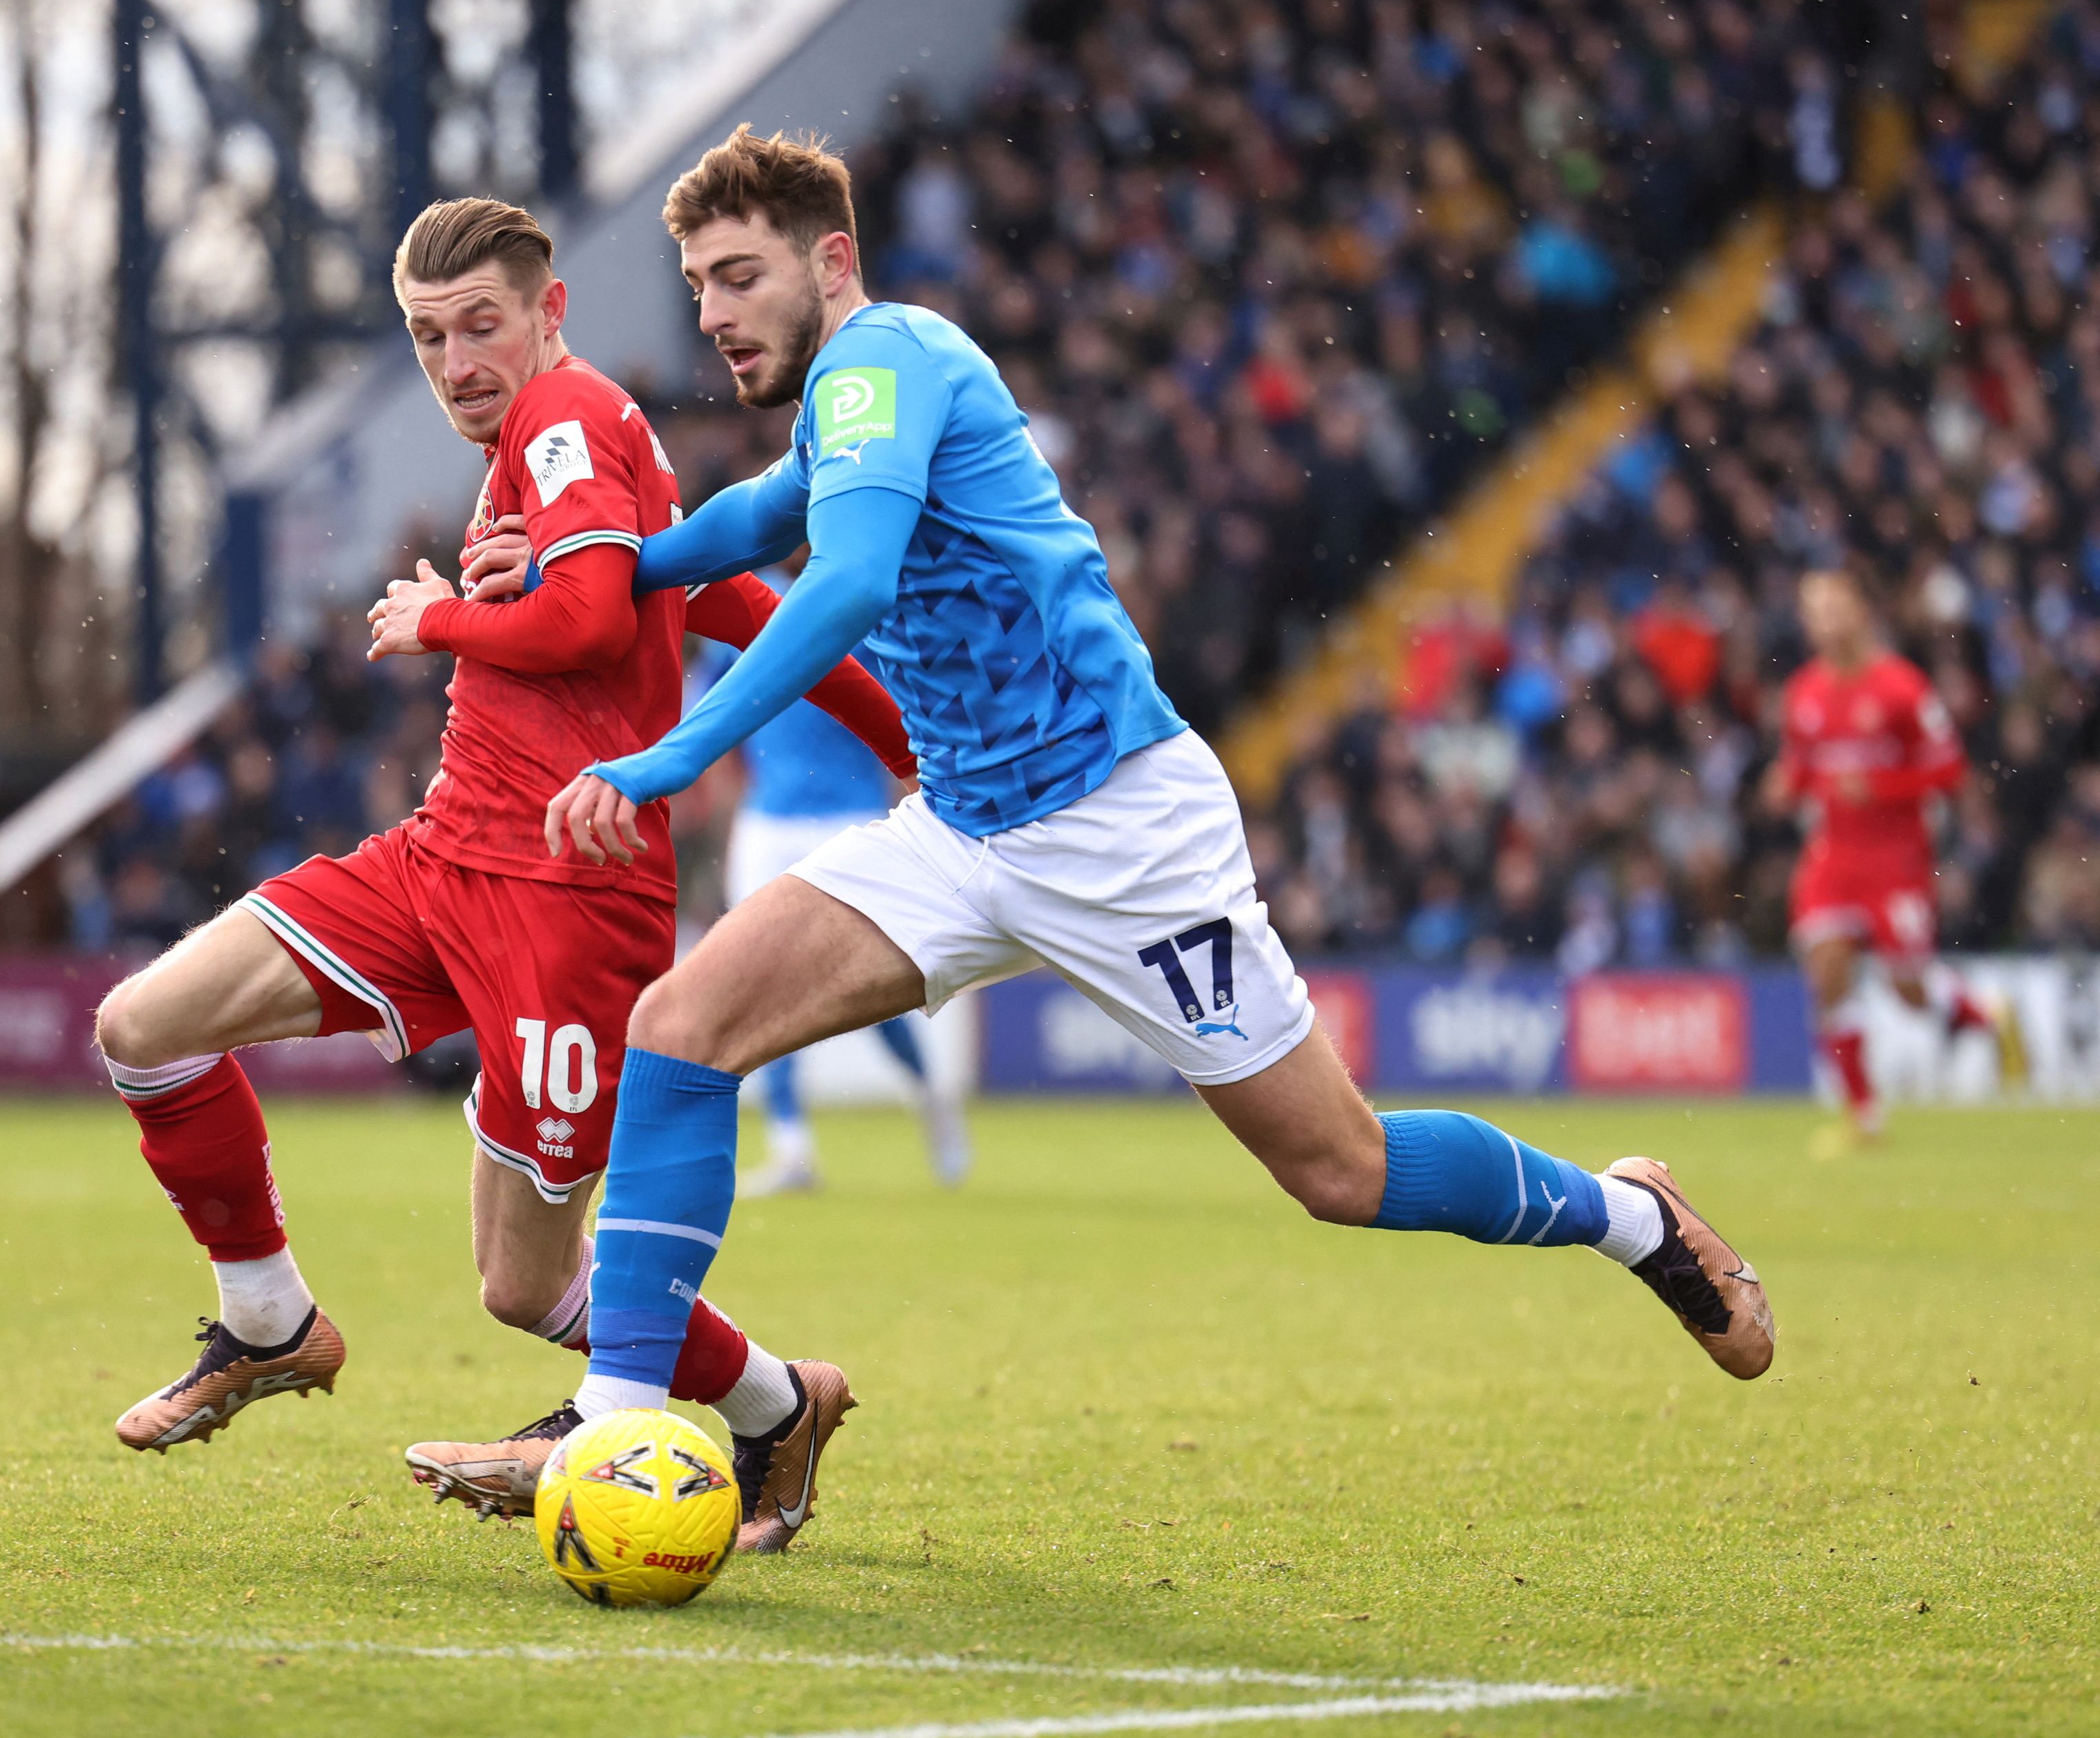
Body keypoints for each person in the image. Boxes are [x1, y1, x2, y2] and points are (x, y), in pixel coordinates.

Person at [428, 127, 1777, 1547]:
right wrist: (599, 565)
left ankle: (1628, 1215)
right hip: (961, 828)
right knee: (681, 1029)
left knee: (1341, 1171)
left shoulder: (887, 358)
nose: (711, 311)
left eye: (738, 275)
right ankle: (616, 1425)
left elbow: (846, 582)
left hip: (1117, 828)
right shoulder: (840, 403)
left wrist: (668, 756)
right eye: (697, 283)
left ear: (830, 262)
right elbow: (754, 519)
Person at [91, 198, 916, 1552]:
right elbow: (722, 600)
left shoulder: (565, 416)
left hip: (567, 898)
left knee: (522, 1286)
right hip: (441, 856)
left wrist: (442, 620)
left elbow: (587, 620)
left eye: (480, 326)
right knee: (147, 1027)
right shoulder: (564, 442)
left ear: (550, 312)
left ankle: (775, 1406)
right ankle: (268, 1321)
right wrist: (897, 741)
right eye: (428, 337)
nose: (456, 362)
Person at [698, 576, 973, 1194]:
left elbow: (902, 711)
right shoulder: (748, 600)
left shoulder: (852, 597)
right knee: (762, 983)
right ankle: (792, 1146)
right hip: (769, 823)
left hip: (845, 819)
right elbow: (714, 711)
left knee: (867, 987)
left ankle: (930, 1096)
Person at [1766, 569, 2023, 1154]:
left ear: (1861, 611)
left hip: (1895, 857)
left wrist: (1881, 787)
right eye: (1814, 610)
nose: (1824, 620)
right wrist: (1785, 785)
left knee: (1905, 985)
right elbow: (1803, 767)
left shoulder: (1902, 687)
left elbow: (1950, 769)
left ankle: (1989, 1016)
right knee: (1826, 971)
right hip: (1832, 855)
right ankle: (1863, 1115)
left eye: (1834, 606)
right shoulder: (1803, 691)